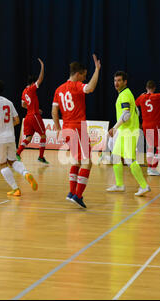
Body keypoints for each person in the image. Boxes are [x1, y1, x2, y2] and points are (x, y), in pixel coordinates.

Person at [52, 54, 101, 209]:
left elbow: (54, 110)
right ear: (78, 73)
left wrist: (59, 129)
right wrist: (97, 70)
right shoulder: (77, 86)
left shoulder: (59, 89)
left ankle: (71, 192)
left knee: (77, 161)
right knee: (88, 162)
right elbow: (91, 88)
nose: (84, 79)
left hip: (66, 128)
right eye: (84, 76)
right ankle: (78, 195)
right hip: (78, 128)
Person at [107, 71, 151, 197]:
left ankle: (144, 186)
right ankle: (119, 185)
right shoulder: (124, 94)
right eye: (115, 80)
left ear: (125, 82)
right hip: (124, 131)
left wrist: (114, 128)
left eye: (119, 80)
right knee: (115, 156)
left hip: (128, 132)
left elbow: (126, 115)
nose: (116, 83)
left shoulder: (125, 95)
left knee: (129, 159)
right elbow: (135, 112)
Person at [135, 81, 160, 175]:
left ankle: (150, 168)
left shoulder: (141, 97)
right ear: (154, 88)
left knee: (150, 146)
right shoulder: (156, 96)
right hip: (155, 124)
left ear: (146, 88)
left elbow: (134, 106)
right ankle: (152, 168)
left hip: (145, 124)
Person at [16, 58, 49, 164]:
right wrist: (43, 67)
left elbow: (23, 105)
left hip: (28, 117)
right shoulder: (31, 89)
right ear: (32, 83)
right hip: (34, 116)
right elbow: (40, 79)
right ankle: (40, 156)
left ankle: (17, 153)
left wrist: (33, 108)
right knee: (43, 136)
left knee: (29, 138)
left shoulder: (24, 91)